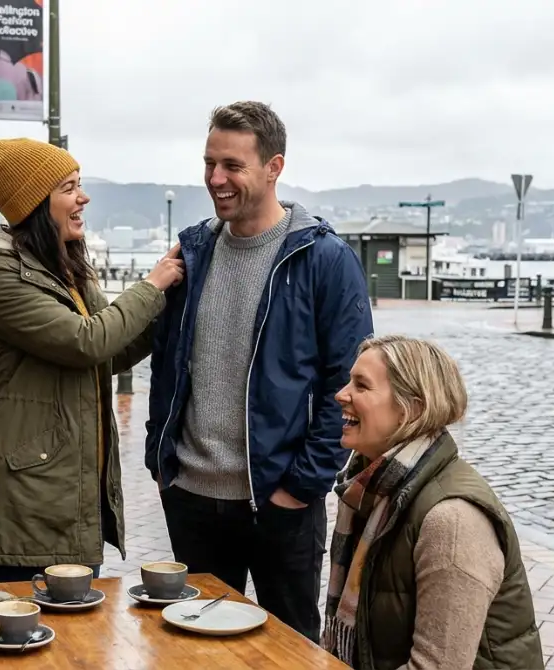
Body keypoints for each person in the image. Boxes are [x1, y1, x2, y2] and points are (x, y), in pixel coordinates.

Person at [145, 100, 373, 643]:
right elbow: (167, 359)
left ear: (274, 168)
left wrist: (301, 486)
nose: (216, 179)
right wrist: (163, 460)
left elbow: (347, 384)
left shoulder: (324, 258)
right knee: (194, 650)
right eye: (209, 164)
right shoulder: (194, 251)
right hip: (193, 497)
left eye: (233, 166)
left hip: (280, 502)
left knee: (288, 648)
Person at [0, 138, 184, 583]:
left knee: (77, 644)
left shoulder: (66, 268)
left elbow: (112, 349)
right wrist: (153, 287)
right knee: (21, 636)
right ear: (36, 203)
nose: (83, 197)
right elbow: (87, 341)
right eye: (68, 188)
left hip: (64, 494)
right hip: (21, 503)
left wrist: (170, 315)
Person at [322, 335, 542, 668]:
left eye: (362, 386)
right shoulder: (372, 488)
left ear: (411, 410)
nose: (341, 394)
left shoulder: (452, 520)